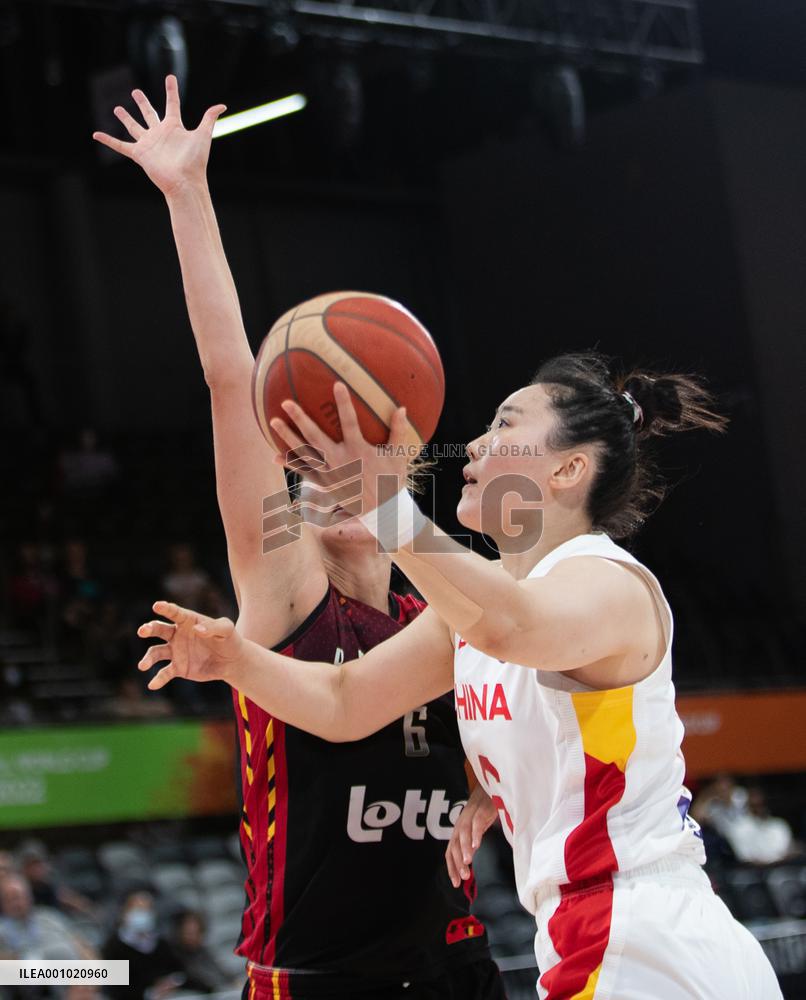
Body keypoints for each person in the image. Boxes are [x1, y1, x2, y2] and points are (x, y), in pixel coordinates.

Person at [138, 353, 783, 998]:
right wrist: (233, 661)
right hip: (587, 931)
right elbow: (345, 701)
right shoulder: (478, 609)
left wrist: (383, 505)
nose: (474, 443)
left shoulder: (606, 580)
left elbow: (513, 627)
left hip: (644, 936)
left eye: (505, 424)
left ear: (567, 468)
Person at [94, 77, 502, 999]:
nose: (340, 478)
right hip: (321, 976)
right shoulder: (286, 596)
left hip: (454, 961)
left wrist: (493, 787)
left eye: (364, 463)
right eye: (315, 465)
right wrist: (187, 196)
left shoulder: (446, 610)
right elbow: (229, 370)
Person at [101, 889, 184, 1000]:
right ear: (125, 913)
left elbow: (178, 970)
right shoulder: (113, 946)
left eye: (146, 909)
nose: (142, 914)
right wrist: (149, 993)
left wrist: (172, 982)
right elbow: (113, 986)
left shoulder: (161, 943)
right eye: (137, 909)